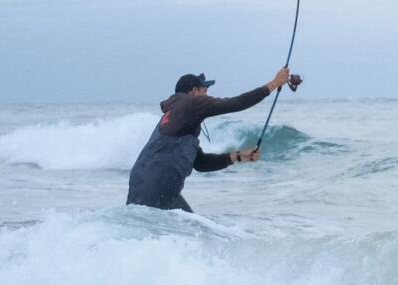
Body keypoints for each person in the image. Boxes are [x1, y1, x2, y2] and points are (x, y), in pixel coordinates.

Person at [126, 66, 297, 213]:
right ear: (193, 91)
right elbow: (236, 103)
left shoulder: (179, 115)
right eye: (204, 90)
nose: (208, 96)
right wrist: (274, 84)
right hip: (157, 185)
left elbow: (200, 163)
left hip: (146, 182)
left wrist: (238, 156)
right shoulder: (191, 103)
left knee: (183, 235)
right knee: (189, 236)